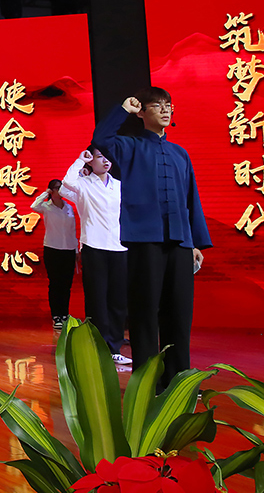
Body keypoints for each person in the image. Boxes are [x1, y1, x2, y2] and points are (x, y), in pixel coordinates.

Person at [92, 88, 211, 387]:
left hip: (180, 243)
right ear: (142, 112)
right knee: (145, 314)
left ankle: (178, 382)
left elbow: (191, 199)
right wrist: (123, 109)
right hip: (144, 242)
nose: (165, 110)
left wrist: (195, 242)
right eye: (157, 105)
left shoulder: (180, 154)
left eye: (168, 105)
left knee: (179, 314)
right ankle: (146, 385)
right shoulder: (129, 147)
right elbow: (101, 140)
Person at [61, 147, 130, 363]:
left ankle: (115, 347)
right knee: (97, 299)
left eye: (107, 157)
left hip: (119, 247)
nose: (105, 161)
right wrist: (80, 160)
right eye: (99, 157)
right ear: (91, 161)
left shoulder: (119, 185)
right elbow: (66, 183)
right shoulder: (84, 184)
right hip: (93, 246)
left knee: (118, 300)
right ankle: (98, 346)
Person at [31, 179, 80, 331]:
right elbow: (34, 206)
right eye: (58, 188)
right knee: (55, 283)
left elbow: (72, 230)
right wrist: (46, 193)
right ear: (52, 191)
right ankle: (56, 315)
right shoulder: (46, 207)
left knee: (66, 284)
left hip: (69, 249)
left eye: (62, 188)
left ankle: (65, 314)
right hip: (52, 249)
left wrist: (76, 250)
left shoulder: (69, 207)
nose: (61, 191)